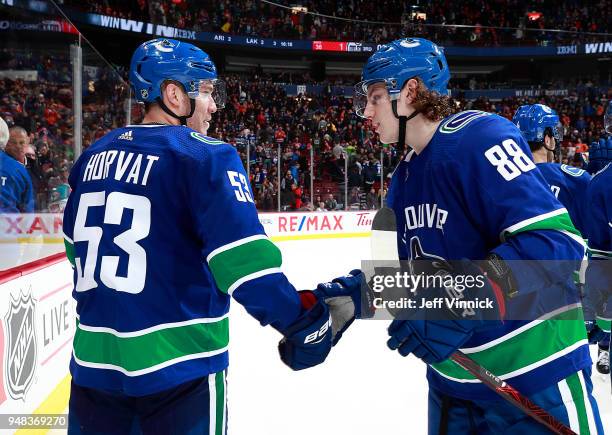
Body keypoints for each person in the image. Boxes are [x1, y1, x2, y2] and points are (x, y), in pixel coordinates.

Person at [62, 38, 365, 435]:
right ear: (173, 94)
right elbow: (246, 266)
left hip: (92, 373)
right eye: (206, 91)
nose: (215, 105)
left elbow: (75, 250)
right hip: (179, 373)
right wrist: (303, 320)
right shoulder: (204, 155)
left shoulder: (91, 156)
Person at [355, 37, 603, 434]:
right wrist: (343, 300)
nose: (366, 111)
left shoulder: (478, 137)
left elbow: (558, 245)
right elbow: (416, 281)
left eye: (377, 96)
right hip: (453, 385)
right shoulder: (403, 179)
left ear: (411, 92)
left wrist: (463, 299)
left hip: (534, 376)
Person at [0, 124, 35, 212]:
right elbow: (28, 213)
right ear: (6, 143)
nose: (18, 146)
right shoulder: (19, 170)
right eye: (13, 142)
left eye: (22, 142)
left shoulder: (35, 167)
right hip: (9, 223)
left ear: (28, 141)